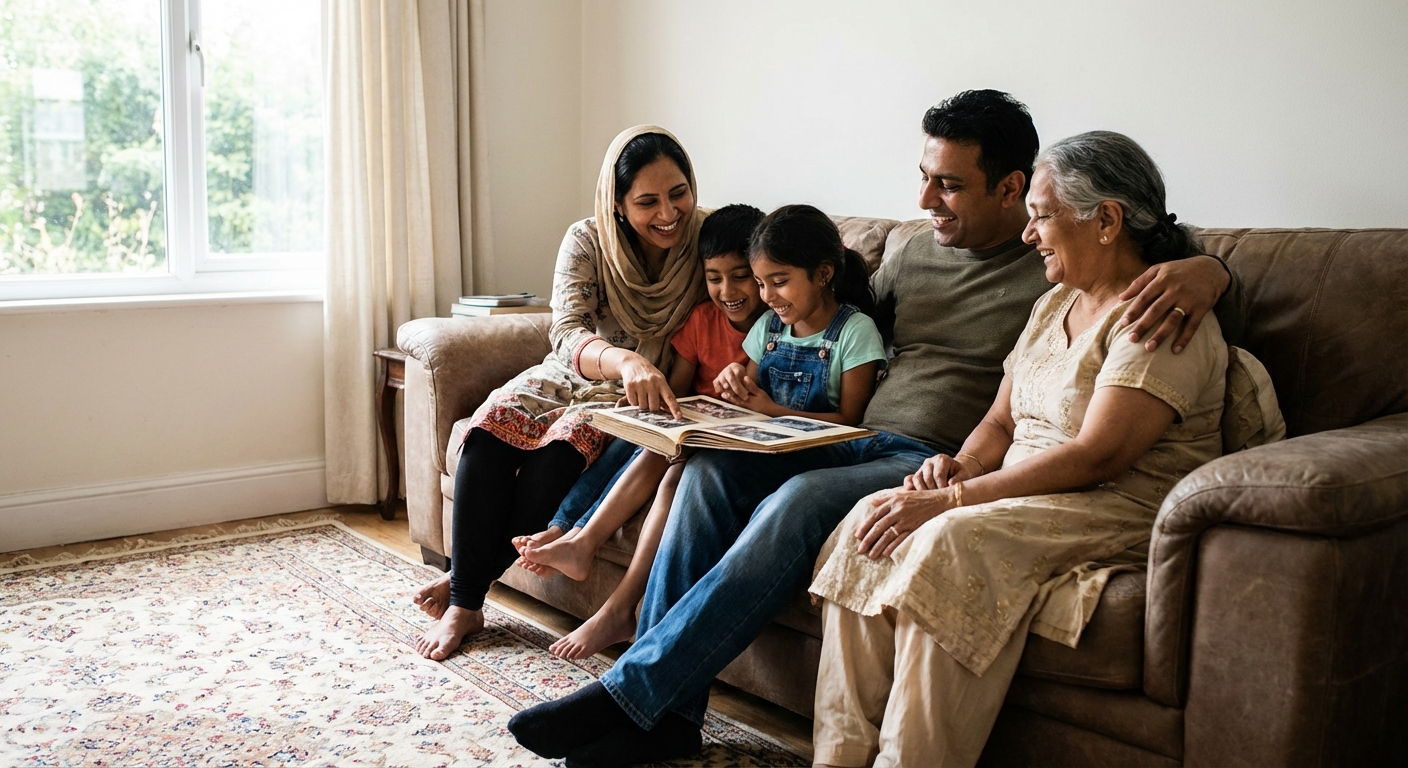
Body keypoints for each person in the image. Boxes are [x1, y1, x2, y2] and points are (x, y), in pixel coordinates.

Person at [506, 91, 1244, 766]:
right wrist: (750, 378)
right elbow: (820, 308)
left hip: (930, 455)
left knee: (795, 505)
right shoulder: (920, 251)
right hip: (851, 438)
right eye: (925, 177)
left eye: (948, 184)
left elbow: (1147, 261)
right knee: (705, 469)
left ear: (1014, 189)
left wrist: (1211, 272)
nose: (925, 200)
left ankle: (635, 694)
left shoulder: (1049, 265)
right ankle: (667, 717)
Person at [809, 129, 1227, 767]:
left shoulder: (1159, 316)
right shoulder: (1053, 301)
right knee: (874, 519)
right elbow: (1001, 422)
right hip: (1023, 487)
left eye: (1039, 216)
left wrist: (956, 499)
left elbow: (1098, 455)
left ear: (1107, 220)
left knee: (949, 542)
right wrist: (959, 464)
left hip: (1114, 500)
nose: (1028, 235)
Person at [520, 203, 888, 661]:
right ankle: (580, 540)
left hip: (808, 451)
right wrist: (735, 384)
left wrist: (769, 410)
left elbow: (854, 424)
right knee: (657, 449)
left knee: (682, 474)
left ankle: (612, 597)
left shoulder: (855, 332)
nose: (767, 295)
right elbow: (747, 380)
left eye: (778, 282)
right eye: (763, 283)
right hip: (755, 440)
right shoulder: (772, 327)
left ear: (824, 274)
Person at [410, 125, 706, 661]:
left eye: (678, 193)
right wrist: (623, 359)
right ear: (616, 205)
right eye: (647, 202)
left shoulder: (706, 240)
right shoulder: (588, 239)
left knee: (554, 460)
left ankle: (464, 591)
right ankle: (466, 597)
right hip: (571, 372)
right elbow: (566, 330)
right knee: (488, 436)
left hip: (629, 397)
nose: (668, 213)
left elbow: (765, 261)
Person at [514, 203, 770, 660]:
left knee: (668, 468)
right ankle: (566, 533)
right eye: (714, 278)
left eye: (741, 276)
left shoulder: (775, 328)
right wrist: (646, 414)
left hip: (731, 441)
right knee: (634, 440)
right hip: (692, 427)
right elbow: (678, 390)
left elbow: (757, 385)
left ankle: (607, 588)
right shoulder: (700, 320)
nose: (727, 290)